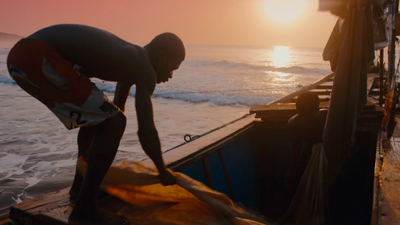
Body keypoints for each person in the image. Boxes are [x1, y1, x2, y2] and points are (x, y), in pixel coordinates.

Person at [7, 24, 185, 225]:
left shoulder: (133, 58)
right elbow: (146, 129)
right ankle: (85, 209)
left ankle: (79, 188)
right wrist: (162, 170)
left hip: (22, 55)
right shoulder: (144, 68)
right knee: (113, 123)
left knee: (104, 120)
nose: (170, 76)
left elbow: (115, 110)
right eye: (173, 68)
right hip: (39, 55)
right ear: (162, 55)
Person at [284, 92, 328, 191]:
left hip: (329, 151)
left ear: (317, 110)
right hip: (309, 152)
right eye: (301, 115)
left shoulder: (327, 118)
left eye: (307, 117)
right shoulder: (294, 123)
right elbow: (296, 149)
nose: (303, 120)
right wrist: (290, 172)